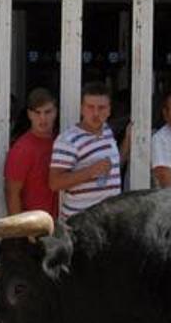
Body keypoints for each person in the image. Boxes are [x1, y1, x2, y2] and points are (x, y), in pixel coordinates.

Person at [49, 81, 121, 221]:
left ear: (109, 110)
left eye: (101, 108)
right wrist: (91, 171)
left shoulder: (107, 131)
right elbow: (54, 183)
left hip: (108, 222)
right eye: (90, 107)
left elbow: (113, 167)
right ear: (82, 108)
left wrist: (128, 142)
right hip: (80, 223)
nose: (95, 113)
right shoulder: (68, 140)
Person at [5, 87, 59, 217]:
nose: (43, 118)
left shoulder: (61, 141)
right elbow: (12, 193)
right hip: (34, 227)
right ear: (29, 114)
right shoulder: (22, 149)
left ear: (55, 112)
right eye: (37, 112)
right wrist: (21, 231)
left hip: (60, 224)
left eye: (48, 112)